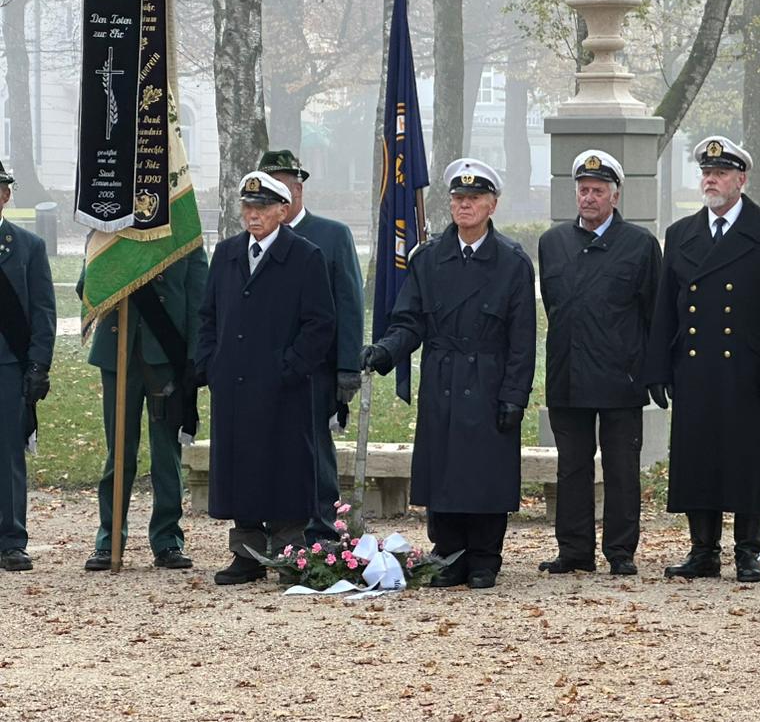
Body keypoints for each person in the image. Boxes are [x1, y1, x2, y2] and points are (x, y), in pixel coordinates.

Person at [362, 159, 537, 590]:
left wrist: (514, 394)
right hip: (442, 376)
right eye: (459, 198)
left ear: (492, 204)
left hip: (488, 378)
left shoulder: (512, 262)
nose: (465, 205)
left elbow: (522, 340)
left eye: (475, 198)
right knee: (443, 468)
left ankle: (483, 557)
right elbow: (410, 322)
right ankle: (448, 552)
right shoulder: (430, 259)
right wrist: (384, 352)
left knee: (484, 471)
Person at [644, 137, 760, 584]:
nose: (710, 180)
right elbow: (665, 310)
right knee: (698, 457)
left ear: (741, 179)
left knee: (747, 459)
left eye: (721, 173)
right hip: (694, 368)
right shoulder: (681, 233)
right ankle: (702, 550)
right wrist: (658, 367)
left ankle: (747, 551)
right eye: (706, 173)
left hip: (747, 370)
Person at [198, 173, 335, 585]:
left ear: (283, 210)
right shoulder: (226, 254)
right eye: (247, 207)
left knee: (285, 469)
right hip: (235, 387)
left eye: (262, 208)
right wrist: (211, 363)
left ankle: (290, 553)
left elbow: (320, 325)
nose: (253, 215)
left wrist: (289, 368)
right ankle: (246, 553)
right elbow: (208, 315)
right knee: (241, 469)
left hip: (282, 389)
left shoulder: (305, 256)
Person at [537, 149, 661, 576]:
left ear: (615, 195)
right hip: (567, 374)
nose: (588, 198)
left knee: (621, 467)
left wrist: (651, 371)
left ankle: (621, 550)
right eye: (583, 190)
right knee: (571, 467)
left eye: (598, 190)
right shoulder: (552, 243)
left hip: (620, 376)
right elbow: (555, 306)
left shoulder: (640, 245)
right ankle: (574, 550)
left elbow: (653, 314)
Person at [81, 243, 208, 572]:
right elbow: (87, 286)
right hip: (118, 349)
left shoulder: (185, 233)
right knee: (118, 452)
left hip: (166, 353)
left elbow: (199, 302)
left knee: (166, 453)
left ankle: (167, 540)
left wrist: (194, 358)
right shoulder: (110, 232)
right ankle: (109, 539)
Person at [259, 149, 364, 546]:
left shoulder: (332, 235)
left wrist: (347, 367)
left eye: (284, 184)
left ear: (299, 186)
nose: (278, 194)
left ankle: (322, 526)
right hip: (269, 366)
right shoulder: (258, 239)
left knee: (316, 448)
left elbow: (349, 302)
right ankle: (279, 528)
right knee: (270, 447)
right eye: (270, 186)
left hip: (317, 367)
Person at [0, 161, 54, 572]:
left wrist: (38, 365)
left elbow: (42, 311)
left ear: (5, 195)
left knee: (8, 455)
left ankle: (12, 539)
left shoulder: (27, 246)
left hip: (9, 364)